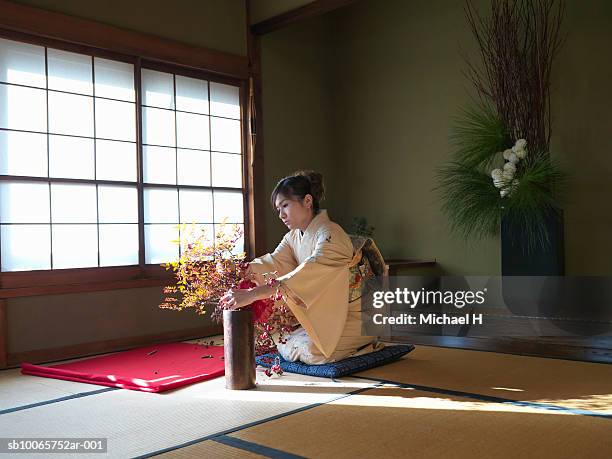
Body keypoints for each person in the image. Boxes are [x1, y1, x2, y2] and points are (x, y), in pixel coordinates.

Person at [220, 170, 382, 364]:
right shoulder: (293, 237)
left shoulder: (331, 235)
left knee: (313, 353)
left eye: (285, 205)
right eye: (278, 209)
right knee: (288, 341)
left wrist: (252, 294)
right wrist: (240, 270)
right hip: (333, 312)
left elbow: (306, 275)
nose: (281, 215)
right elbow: (274, 263)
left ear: (307, 201)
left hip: (360, 314)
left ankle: (367, 341)